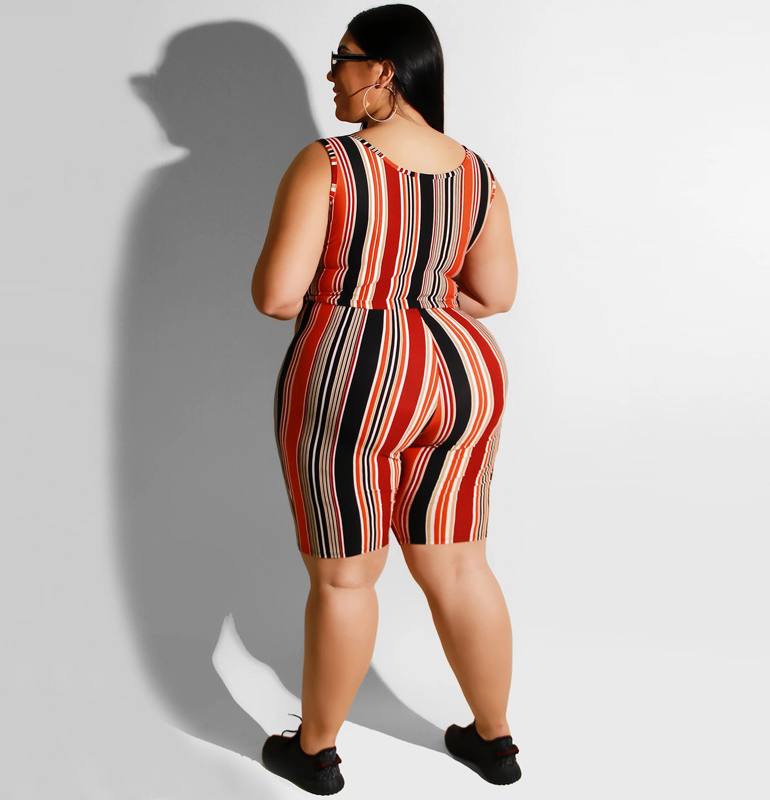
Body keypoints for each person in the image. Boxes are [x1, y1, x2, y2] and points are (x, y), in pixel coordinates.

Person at [252, 4, 519, 794]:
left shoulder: (330, 164)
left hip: (354, 375)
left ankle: (315, 752)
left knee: (345, 578)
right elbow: (495, 294)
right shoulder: (476, 173)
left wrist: (367, 303)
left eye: (343, 57)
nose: (331, 73)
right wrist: (420, 300)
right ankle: (495, 742)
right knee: (461, 565)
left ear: (384, 71)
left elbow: (276, 297)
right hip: (464, 377)